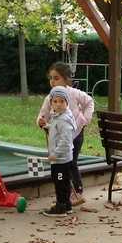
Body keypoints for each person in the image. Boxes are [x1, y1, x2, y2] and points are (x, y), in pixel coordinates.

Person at [36, 62, 95, 206]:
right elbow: (43, 114)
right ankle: (65, 194)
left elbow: (89, 102)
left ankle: (77, 192)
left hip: (75, 134)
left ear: (66, 79)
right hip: (58, 138)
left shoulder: (74, 93)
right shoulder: (50, 97)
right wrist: (41, 121)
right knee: (61, 165)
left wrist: (84, 119)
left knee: (71, 163)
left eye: (56, 78)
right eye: (51, 78)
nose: (52, 81)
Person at [42, 86, 77, 218]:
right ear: (51, 103)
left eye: (62, 101)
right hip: (61, 159)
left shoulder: (64, 120)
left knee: (60, 182)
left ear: (67, 103)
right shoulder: (59, 117)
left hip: (61, 160)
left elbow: (65, 142)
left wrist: (54, 155)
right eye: (55, 101)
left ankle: (61, 207)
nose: (58, 104)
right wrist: (48, 126)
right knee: (63, 182)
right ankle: (67, 205)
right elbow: (57, 130)